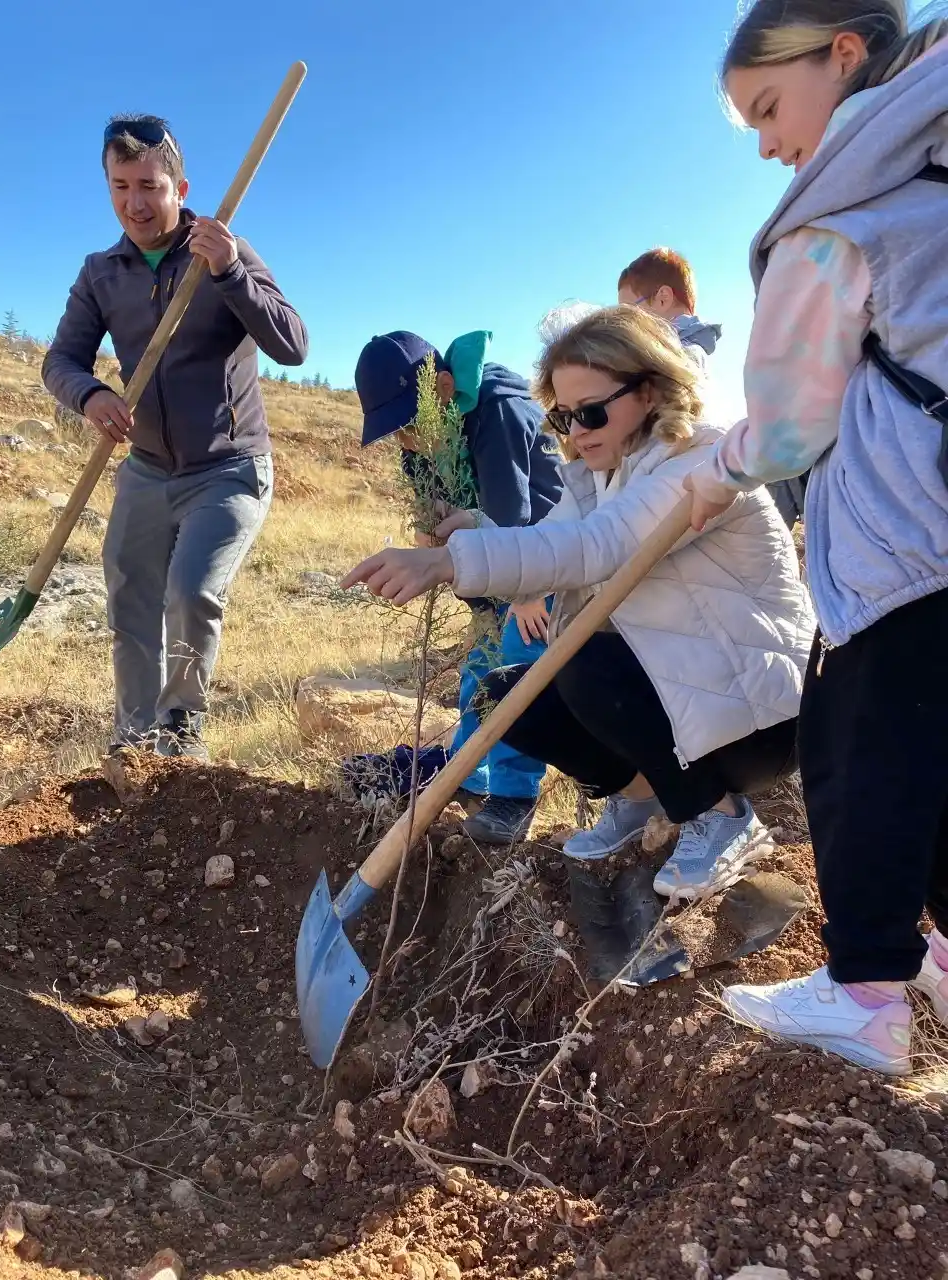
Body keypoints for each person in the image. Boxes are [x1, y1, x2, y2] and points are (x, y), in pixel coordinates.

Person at [686, 1, 948, 1075]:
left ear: (843, 54)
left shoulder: (838, 215)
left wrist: (720, 463)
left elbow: (792, 423)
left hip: (899, 536)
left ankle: (867, 990)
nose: (763, 142)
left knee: (853, 749)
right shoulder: (932, 169)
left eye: (767, 105)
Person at [343, 306, 815, 895]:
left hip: (763, 715)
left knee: (584, 664)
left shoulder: (699, 463)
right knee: (508, 694)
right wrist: (472, 533)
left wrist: (445, 562)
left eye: (590, 412)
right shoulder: (595, 479)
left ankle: (720, 819)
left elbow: (599, 547)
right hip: (692, 703)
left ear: (648, 392)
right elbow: (548, 548)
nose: (575, 432)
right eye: (563, 417)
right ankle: (638, 802)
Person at [43, 116, 307, 761]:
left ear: (179, 187)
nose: (136, 202)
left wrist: (228, 275)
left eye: (150, 186)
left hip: (228, 467)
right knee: (130, 601)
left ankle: (179, 736)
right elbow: (61, 362)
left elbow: (292, 345)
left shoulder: (226, 248)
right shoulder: (101, 272)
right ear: (108, 187)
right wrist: (93, 394)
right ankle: (134, 741)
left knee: (190, 594)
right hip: (147, 468)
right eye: (121, 185)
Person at [353, 330, 563, 844]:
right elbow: (432, 515)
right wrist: (429, 533)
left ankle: (514, 798)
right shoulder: (421, 436)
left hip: (549, 560)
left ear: (444, 387)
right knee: (479, 673)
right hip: (492, 565)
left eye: (407, 423)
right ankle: (470, 778)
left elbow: (518, 518)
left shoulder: (497, 410)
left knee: (516, 667)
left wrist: (526, 593)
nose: (404, 440)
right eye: (393, 431)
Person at [619, 248, 806, 529]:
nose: (627, 326)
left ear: (663, 297)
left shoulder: (683, 357)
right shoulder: (689, 351)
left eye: (629, 312)